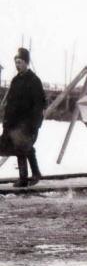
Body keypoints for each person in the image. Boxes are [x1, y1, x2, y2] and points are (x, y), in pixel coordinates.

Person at [1, 48, 46, 187]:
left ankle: (23, 179)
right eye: (16, 62)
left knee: (21, 147)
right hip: (13, 124)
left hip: (27, 124)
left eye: (19, 62)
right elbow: (10, 103)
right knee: (21, 147)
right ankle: (36, 173)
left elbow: (39, 105)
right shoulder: (15, 80)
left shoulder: (34, 81)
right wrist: (6, 121)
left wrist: (34, 125)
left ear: (26, 62)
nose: (17, 65)